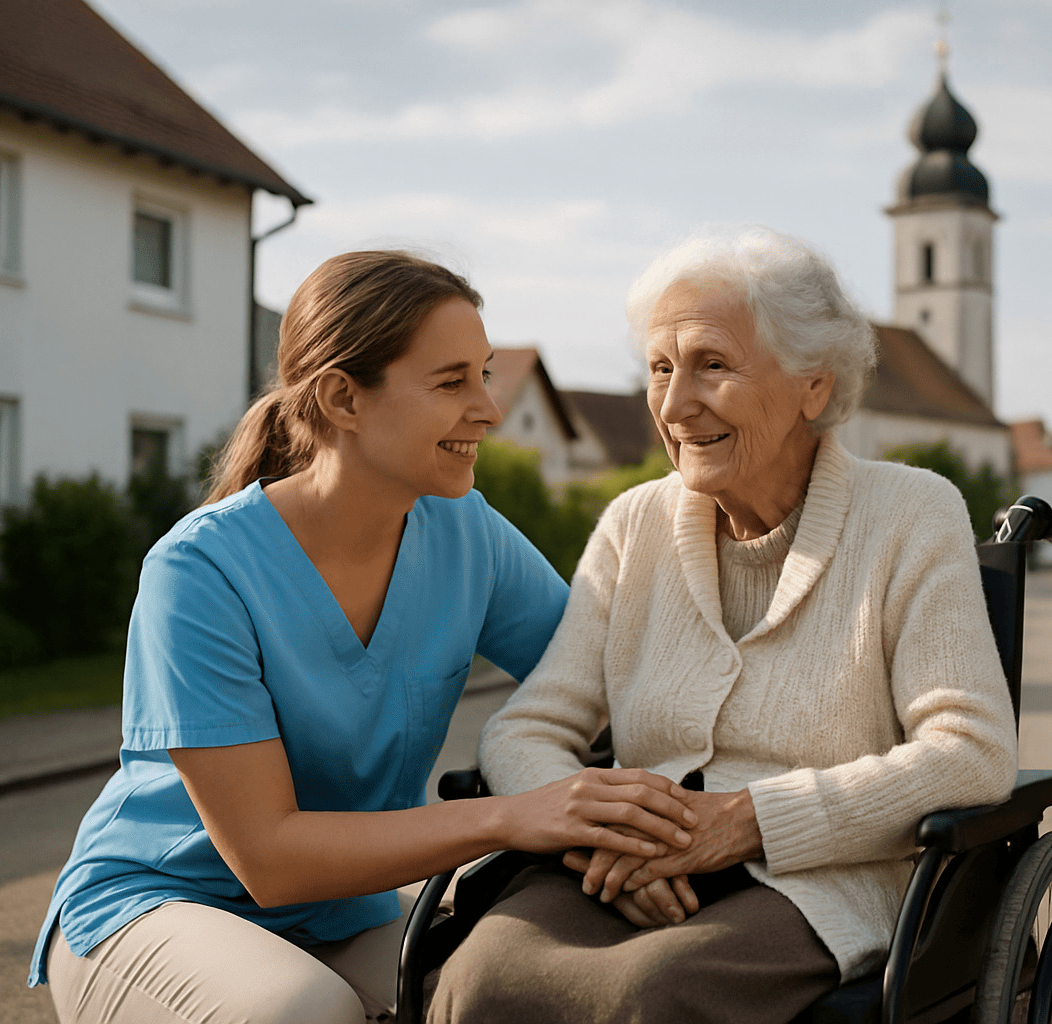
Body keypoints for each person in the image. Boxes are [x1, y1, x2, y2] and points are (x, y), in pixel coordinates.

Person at [29, 251, 700, 1024]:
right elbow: (270, 860)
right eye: (452, 382)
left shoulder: (466, 533)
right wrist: (516, 815)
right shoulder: (199, 571)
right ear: (343, 398)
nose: (487, 407)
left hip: (348, 909)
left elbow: (611, 684)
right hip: (163, 906)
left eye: (484, 374)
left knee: (522, 992)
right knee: (301, 1011)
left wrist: (638, 837)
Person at [429, 228, 1019, 1024]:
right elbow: (523, 728)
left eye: (712, 365)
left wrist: (748, 822)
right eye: (661, 370)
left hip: (823, 877)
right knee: (479, 980)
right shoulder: (635, 524)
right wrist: (598, 834)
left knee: (648, 996)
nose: (674, 407)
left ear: (814, 384)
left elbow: (971, 752)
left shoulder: (911, 514)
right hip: (629, 868)